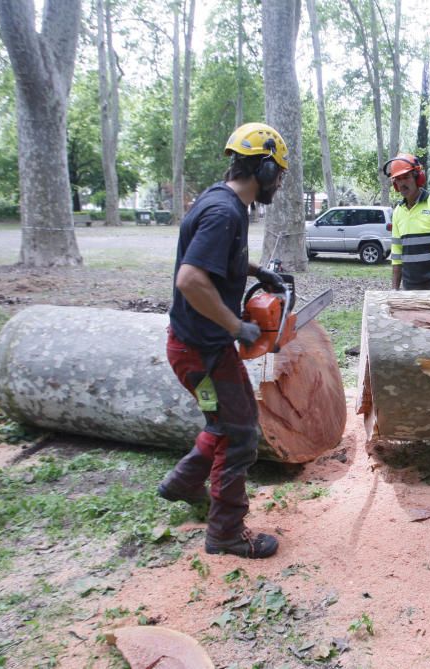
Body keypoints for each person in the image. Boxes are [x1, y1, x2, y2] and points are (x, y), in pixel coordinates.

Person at [158, 122, 289, 559]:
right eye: (280, 173)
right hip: (203, 351)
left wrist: (255, 272)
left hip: (194, 345)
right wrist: (236, 326)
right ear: (266, 169)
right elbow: (191, 278)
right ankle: (226, 532)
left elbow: (214, 259)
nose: (280, 183)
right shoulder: (224, 211)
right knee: (242, 433)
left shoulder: (221, 202)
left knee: (223, 424)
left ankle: (182, 483)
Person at [383, 153, 430, 290]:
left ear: (418, 178)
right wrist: (394, 290)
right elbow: (397, 254)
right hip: (409, 287)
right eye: (398, 180)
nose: (402, 184)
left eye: (406, 177)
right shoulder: (398, 212)